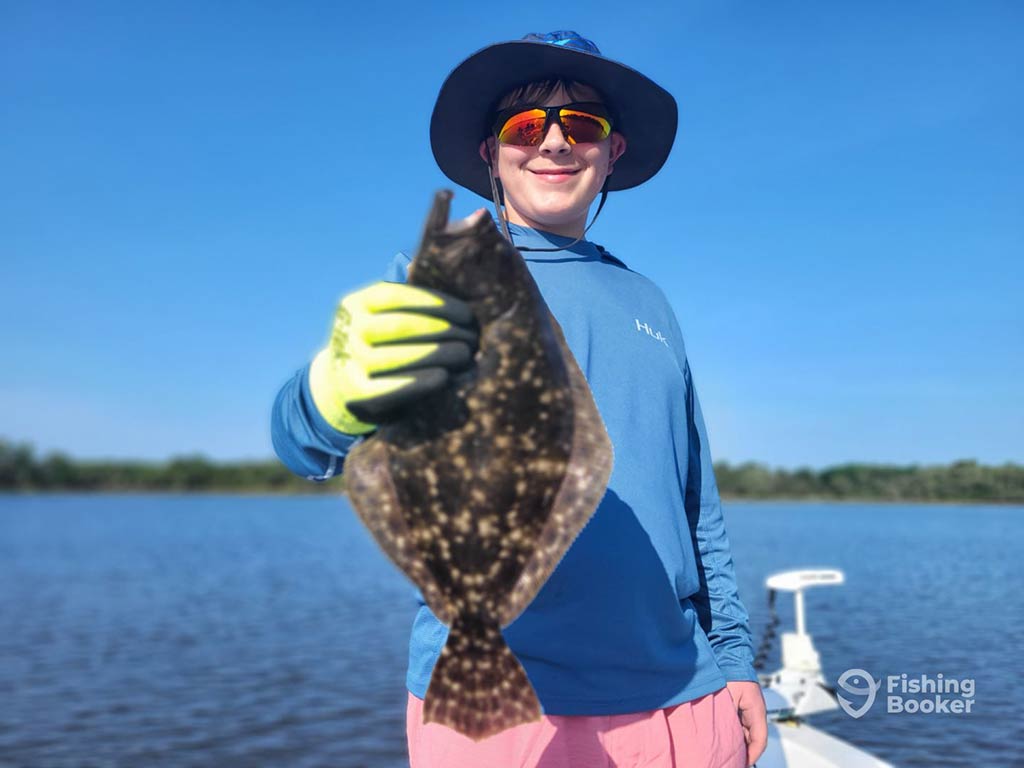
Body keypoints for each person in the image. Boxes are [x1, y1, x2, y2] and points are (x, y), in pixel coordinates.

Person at [271, 30, 768, 768]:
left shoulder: (650, 302)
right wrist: (329, 393)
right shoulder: (443, 288)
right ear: (492, 154)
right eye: (527, 127)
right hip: (498, 700)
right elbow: (301, 442)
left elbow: (696, 502)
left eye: (584, 126)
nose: (556, 144)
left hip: (681, 692)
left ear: (613, 151)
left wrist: (733, 658)